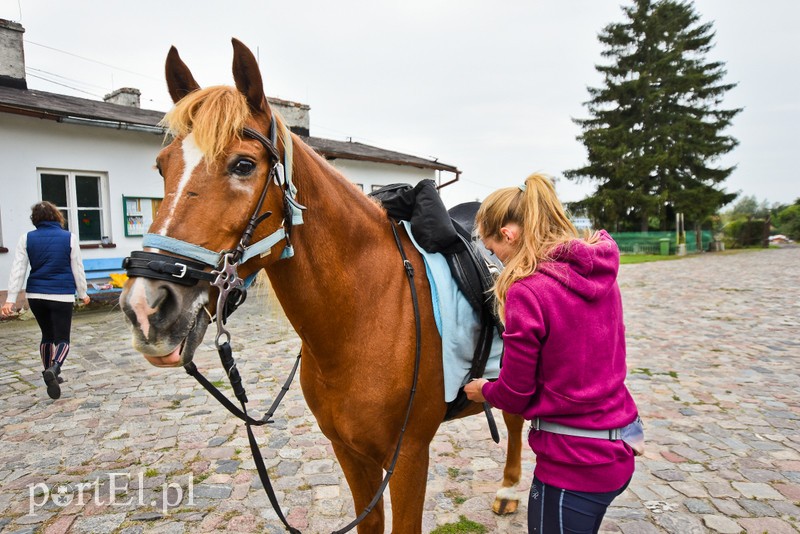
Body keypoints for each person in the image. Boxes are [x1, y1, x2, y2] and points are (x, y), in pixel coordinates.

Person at [464, 173, 641, 534]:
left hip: (574, 465)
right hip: (620, 442)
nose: (496, 256)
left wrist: (483, 390)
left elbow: (514, 395)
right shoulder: (600, 272)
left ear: (509, 235)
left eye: (493, 248)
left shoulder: (528, 291)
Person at [1, 201, 90, 399]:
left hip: (36, 295)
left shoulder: (27, 238)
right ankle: (55, 368)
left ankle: (50, 373)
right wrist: (83, 293)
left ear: (35, 219)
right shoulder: (69, 238)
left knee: (47, 336)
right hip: (61, 295)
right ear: (56, 216)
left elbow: (18, 270)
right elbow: (78, 268)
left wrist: (11, 299)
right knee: (62, 339)